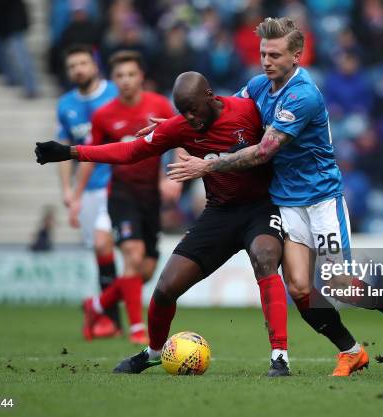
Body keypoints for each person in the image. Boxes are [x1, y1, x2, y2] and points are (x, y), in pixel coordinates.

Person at [165, 17, 383, 377]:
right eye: (262, 53)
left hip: (322, 199)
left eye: (274, 54)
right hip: (287, 202)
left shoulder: (302, 95)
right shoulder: (258, 86)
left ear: (296, 58)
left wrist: (206, 167)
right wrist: (171, 127)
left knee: (338, 284)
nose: (266, 61)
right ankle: (351, 351)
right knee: (301, 288)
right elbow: (219, 111)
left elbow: (262, 152)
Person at [35, 71, 290, 377]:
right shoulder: (180, 126)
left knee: (265, 258)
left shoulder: (247, 111)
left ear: (209, 95)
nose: (190, 117)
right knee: (166, 289)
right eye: (182, 111)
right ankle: (154, 352)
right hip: (219, 213)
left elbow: (280, 143)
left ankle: (279, 356)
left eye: (193, 108)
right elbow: (130, 151)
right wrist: (70, 152)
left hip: (261, 207)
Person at [71, 50, 174, 344]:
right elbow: (90, 156)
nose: (126, 80)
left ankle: (97, 305)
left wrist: (172, 175)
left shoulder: (159, 105)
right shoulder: (104, 115)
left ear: (141, 77)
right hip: (121, 194)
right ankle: (137, 329)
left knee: (144, 271)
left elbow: (180, 138)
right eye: (120, 76)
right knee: (133, 255)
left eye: (131, 74)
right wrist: (77, 196)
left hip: (150, 198)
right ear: (112, 80)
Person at [55, 44, 121, 339]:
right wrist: (70, 193)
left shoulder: (116, 94)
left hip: (119, 184)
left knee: (118, 251)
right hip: (89, 190)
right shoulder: (65, 105)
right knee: (102, 252)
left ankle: (108, 314)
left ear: (95, 65)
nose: (78, 70)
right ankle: (111, 318)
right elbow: (65, 152)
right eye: (72, 66)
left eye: (82, 63)